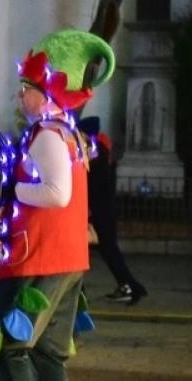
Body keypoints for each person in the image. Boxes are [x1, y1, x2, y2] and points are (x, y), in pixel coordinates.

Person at [0, 29, 115, 381]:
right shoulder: (68, 133)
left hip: (40, 255)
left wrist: (10, 192)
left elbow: (57, 194)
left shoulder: (47, 136)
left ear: (49, 92)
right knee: (50, 350)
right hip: (67, 256)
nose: (20, 96)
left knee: (1, 332)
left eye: (27, 88)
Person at [78, 116, 146, 306]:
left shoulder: (94, 155)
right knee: (106, 251)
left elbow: (91, 187)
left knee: (104, 251)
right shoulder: (101, 152)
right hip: (103, 211)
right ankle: (130, 286)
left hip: (99, 213)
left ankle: (129, 286)